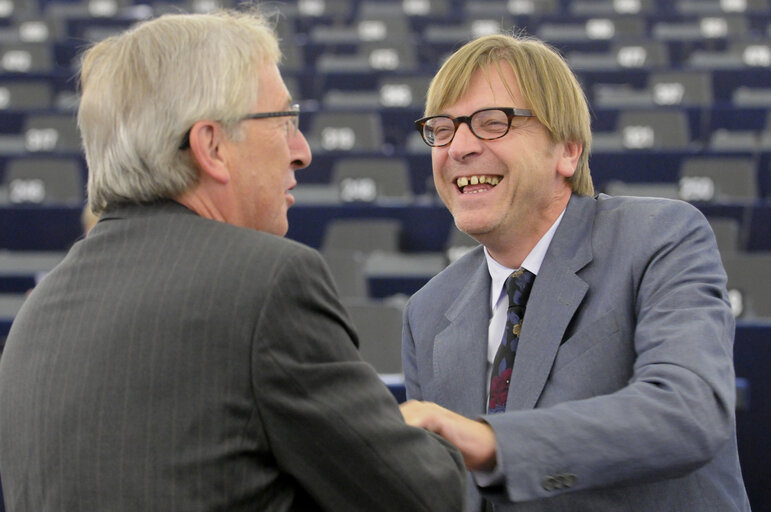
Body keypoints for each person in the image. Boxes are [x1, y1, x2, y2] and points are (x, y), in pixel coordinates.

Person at [0, 10, 466, 511]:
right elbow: (424, 498)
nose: (302, 150)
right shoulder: (268, 284)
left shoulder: (36, 312)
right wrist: (457, 437)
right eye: (284, 121)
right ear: (212, 147)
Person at [399, 33, 750, 512]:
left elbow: (687, 412)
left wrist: (492, 442)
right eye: (442, 130)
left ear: (568, 150)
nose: (458, 147)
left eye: (492, 123)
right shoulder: (427, 311)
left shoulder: (660, 237)